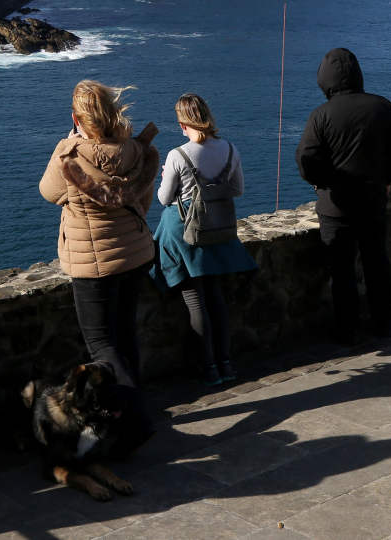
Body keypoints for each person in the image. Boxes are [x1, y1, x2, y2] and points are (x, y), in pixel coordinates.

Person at [39, 80, 159, 390]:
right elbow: (142, 203)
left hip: (94, 263)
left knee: (101, 344)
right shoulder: (135, 149)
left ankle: (133, 416)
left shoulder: (70, 154)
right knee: (125, 333)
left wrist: (67, 145)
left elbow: (48, 191)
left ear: (77, 119)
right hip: (135, 253)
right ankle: (139, 401)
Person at [296, 48, 391, 344]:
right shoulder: (382, 107)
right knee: (376, 262)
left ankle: (346, 329)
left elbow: (306, 159)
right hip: (373, 198)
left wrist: (322, 182)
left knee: (342, 268)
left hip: (335, 204)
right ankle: (382, 321)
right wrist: (387, 178)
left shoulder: (320, 115)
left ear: (325, 79)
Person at [151, 94, 257, 386]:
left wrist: (166, 176)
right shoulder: (230, 149)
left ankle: (209, 368)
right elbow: (237, 189)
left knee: (194, 300)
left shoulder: (177, 155)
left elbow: (163, 199)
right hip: (218, 230)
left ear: (183, 123)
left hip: (186, 232)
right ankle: (226, 364)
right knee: (216, 297)